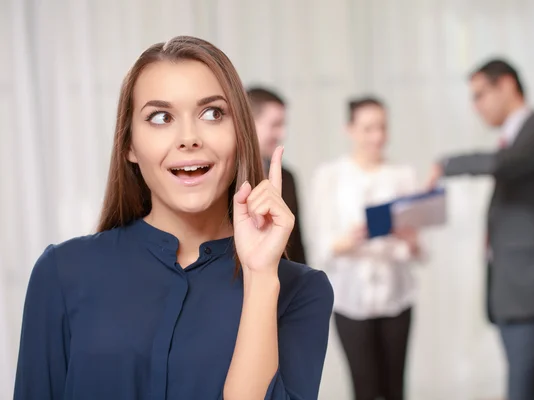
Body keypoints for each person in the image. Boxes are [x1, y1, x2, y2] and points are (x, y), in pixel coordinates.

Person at [14, 36, 334, 400]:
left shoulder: (300, 291)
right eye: (160, 117)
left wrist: (260, 277)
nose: (188, 138)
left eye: (212, 113)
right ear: (129, 145)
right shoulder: (62, 272)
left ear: (241, 135)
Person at [426, 59, 534, 400]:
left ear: (506, 85)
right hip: (517, 292)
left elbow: (504, 164)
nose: (475, 106)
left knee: (521, 391)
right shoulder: (520, 137)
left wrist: (446, 165)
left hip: (533, 291)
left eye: (480, 95)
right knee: (530, 390)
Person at [311, 97, 421, 400]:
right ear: (350, 129)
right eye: (368, 128)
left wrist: (408, 239)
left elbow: (420, 251)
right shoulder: (329, 176)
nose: (377, 136)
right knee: (364, 388)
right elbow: (321, 246)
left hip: (397, 297)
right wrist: (351, 239)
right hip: (350, 300)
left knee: (395, 387)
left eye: (382, 127)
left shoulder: (404, 175)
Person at [246, 87, 306, 264]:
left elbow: (297, 246)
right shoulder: (226, 177)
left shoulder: (287, 177)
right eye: (275, 125)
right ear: (249, 122)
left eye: (282, 125)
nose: (282, 134)